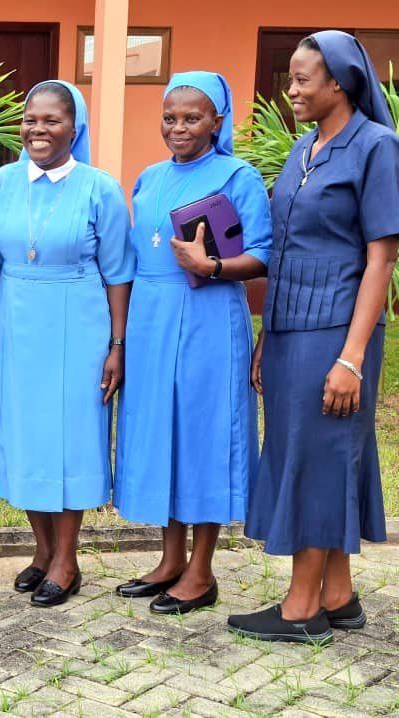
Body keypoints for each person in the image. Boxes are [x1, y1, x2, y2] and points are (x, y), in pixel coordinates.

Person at [228, 31, 399, 644]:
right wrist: (267, 335)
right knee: (311, 451)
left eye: (303, 79)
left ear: (340, 81)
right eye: (291, 79)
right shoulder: (304, 147)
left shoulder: (377, 147)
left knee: (319, 455)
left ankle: (301, 608)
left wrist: (351, 359)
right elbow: (286, 250)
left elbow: (381, 257)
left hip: (337, 328)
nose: (292, 90)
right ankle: (338, 595)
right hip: (290, 329)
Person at [0, 80, 134, 607]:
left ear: (74, 128)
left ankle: (67, 559)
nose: (38, 130)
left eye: (51, 120)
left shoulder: (99, 187)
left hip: (78, 319)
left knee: (71, 436)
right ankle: (42, 550)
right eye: (30, 120)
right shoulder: (2, 183)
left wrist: (117, 344)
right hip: (15, 318)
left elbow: (118, 272)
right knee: (26, 433)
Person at [113, 72, 272, 614]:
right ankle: (169, 560)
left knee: (204, 434)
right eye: (170, 117)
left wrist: (213, 266)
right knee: (165, 431)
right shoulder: (149, 177)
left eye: (192, 117)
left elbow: (263, 254)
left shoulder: (237, 176)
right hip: (151, 317)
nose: (178, 127)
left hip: (209, 314)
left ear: (216, 122)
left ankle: (201, 572)